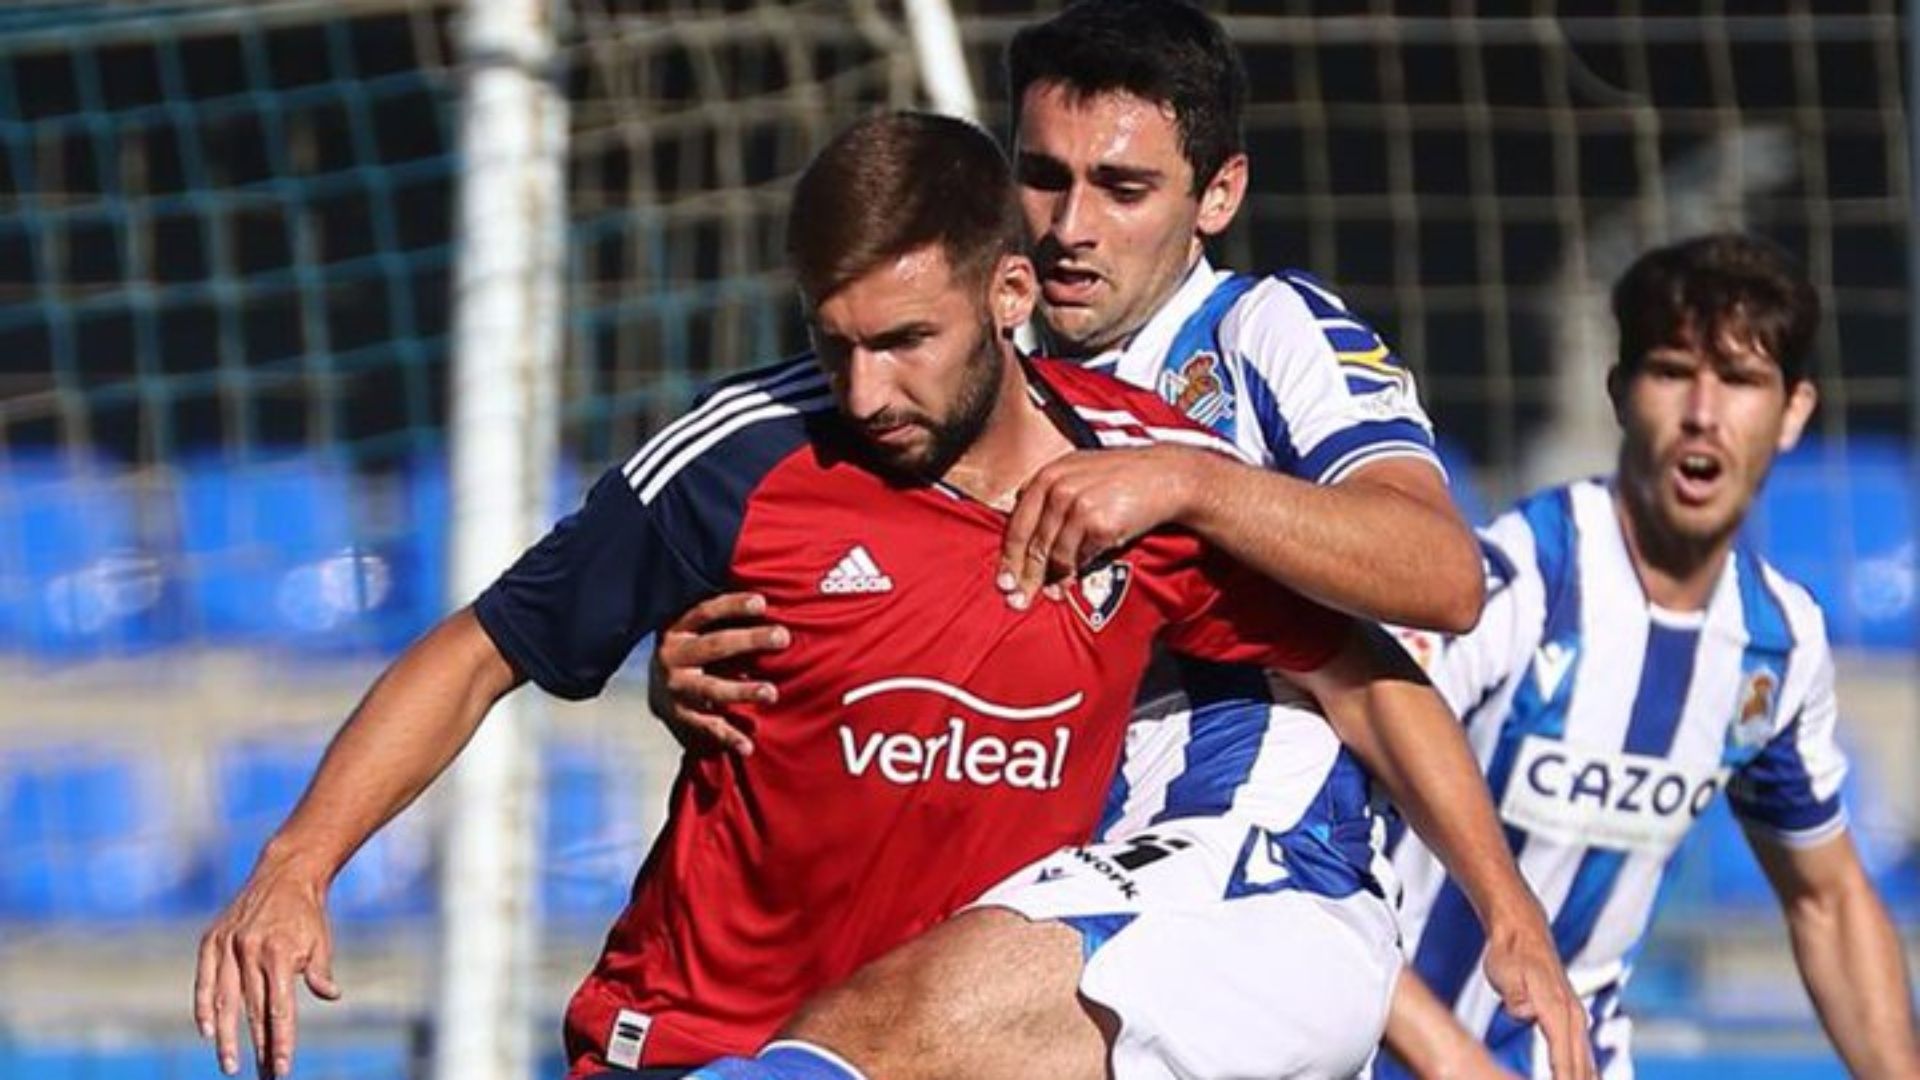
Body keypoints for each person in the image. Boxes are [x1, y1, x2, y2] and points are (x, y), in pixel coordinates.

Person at [190, 110, 1485, 1080]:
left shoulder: (1137, 486)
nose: (865, 393)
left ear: (1008, 296)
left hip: (943, 1046)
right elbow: (483, 648)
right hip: (697, 1041)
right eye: (834, 342)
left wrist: (1506, 917)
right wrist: (296, 864)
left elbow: (1360, 670)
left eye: (905, 344)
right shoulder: (743, 455)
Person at [652, 3, 1592, 1079]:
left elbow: (1438, 575)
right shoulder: (958, 381)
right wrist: (705, 677)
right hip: (1057, 899)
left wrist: (1189, 482)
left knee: (873, 1034)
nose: (1067, 227)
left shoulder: (1260, 334)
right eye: (1043, 178)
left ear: (1218, 196)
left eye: (1123, 187)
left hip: (1239, 870)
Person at [1379, 233, 1920, 1079]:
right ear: (1623, 393)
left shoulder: (1778, 639)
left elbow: (1827, 898)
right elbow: (1312, 843)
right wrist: (1452, 1059)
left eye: (1740, 381)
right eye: (1672, 371)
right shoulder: (1514, 581)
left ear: (1794, 412)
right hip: (1376, 1051)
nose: (1703, 412)